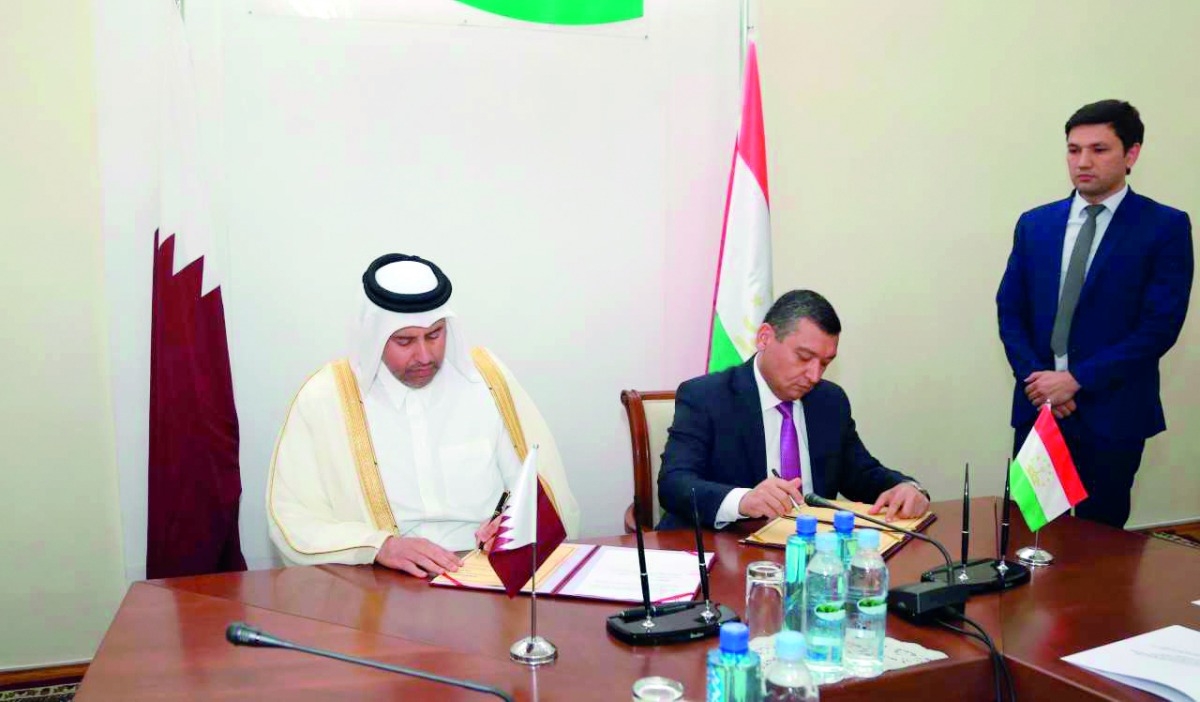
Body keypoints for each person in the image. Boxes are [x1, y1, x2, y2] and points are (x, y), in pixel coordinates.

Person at [268, 253, 579, 576]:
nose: (424, 355)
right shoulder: (324, 399)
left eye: (435, 335)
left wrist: (517, 522)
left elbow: (540, 486)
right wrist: (378, 546)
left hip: (486, 574)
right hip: (379, 582)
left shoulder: (486, 382)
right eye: (404, 340)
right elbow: (292, 519)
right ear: (374, 338)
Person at [996, 100, 1193, 529]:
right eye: (1073, 149)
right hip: (1039, 410)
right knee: (1028, 536)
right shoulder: (1036, 224)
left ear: (1132, 154)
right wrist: (1040, 383)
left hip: (1113, 413)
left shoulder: (1164, 227)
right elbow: (1010, 310)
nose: (1083, 162)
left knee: (1099, 548)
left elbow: (1158, 327)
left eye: (1099, 149)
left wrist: (1076, 380)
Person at [657, 290, 929, 530]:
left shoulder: (829, 401)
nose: (814, 375)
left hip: (813, 555)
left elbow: (861, 474)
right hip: (729, 552)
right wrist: (743, 500)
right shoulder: (706, 397)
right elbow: (674, 483)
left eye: (825, 363)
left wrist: (906, 488)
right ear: (765, 338)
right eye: (804, 357)